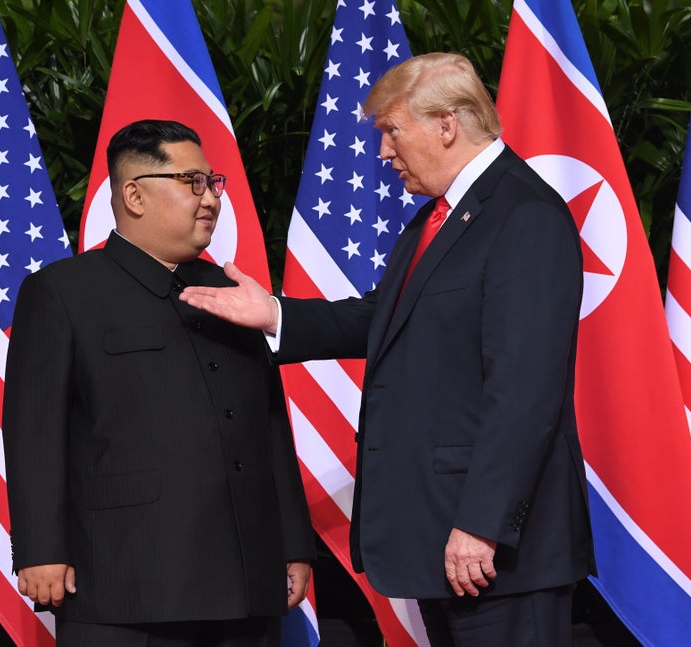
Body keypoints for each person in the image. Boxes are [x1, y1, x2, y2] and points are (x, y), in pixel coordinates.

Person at [180, 53, 594, 646]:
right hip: (445, 540)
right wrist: (274, 313)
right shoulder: (440, 218)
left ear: (447, 124)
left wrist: (481, 525)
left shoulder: (524, 215)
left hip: (495, 553)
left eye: (392, 130)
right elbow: (385, 316)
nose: (383, 152)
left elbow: (525, 390)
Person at [2, 119, 314, 647]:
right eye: (192, 182)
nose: (211, 199)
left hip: (246, 579)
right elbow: (34, 431)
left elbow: (268, 425)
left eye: (214, 183)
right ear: (134, 195)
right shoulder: (63, 291)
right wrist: (39, 549)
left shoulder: (234, 291)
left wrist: (293, 543)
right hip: (124, 586)